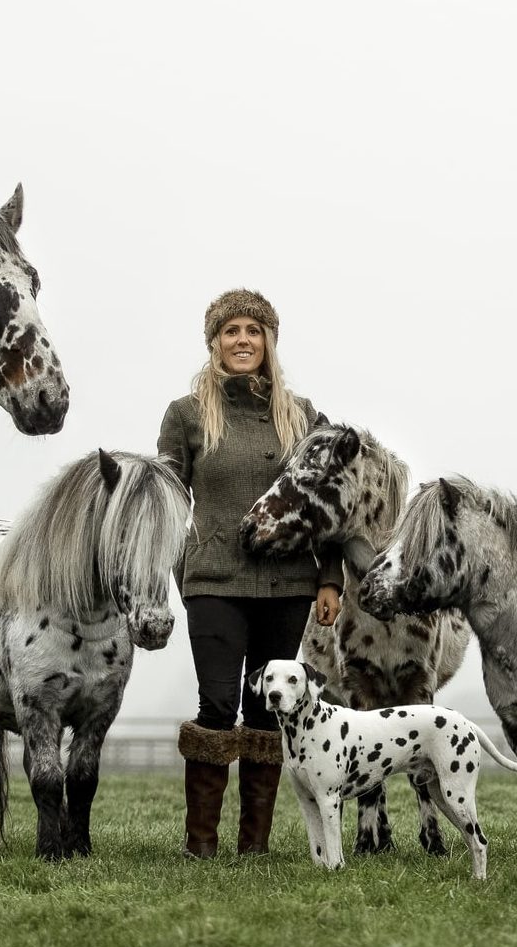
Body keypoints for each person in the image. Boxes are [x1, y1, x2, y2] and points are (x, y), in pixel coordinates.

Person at [158, 289, 344, 858]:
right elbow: (164, 503)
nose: (243, 340)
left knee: (269, 706)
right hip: (214, 582)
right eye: (232, 330)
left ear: (270, 342)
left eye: (254, 331)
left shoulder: (305, 416)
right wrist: (181, 568)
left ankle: (255, 847)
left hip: (288, 584)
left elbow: (329, 500)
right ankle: (201, 846)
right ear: (214, 341)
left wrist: (330, 577)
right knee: (217, 702)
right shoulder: (186, 414)